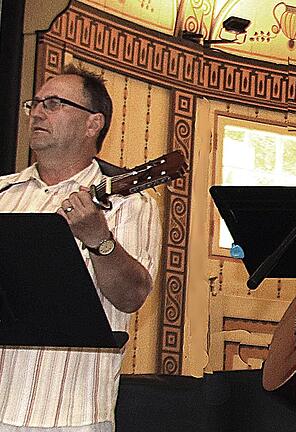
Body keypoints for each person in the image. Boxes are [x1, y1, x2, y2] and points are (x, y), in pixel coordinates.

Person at [0, 65, 161, 431]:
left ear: (93, 124)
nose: (38, 112)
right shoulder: (3, 194)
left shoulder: (131, 202)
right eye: (35, 103)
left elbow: (132, 296)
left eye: (54, 103)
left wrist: (98, 240)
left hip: (75, 412)